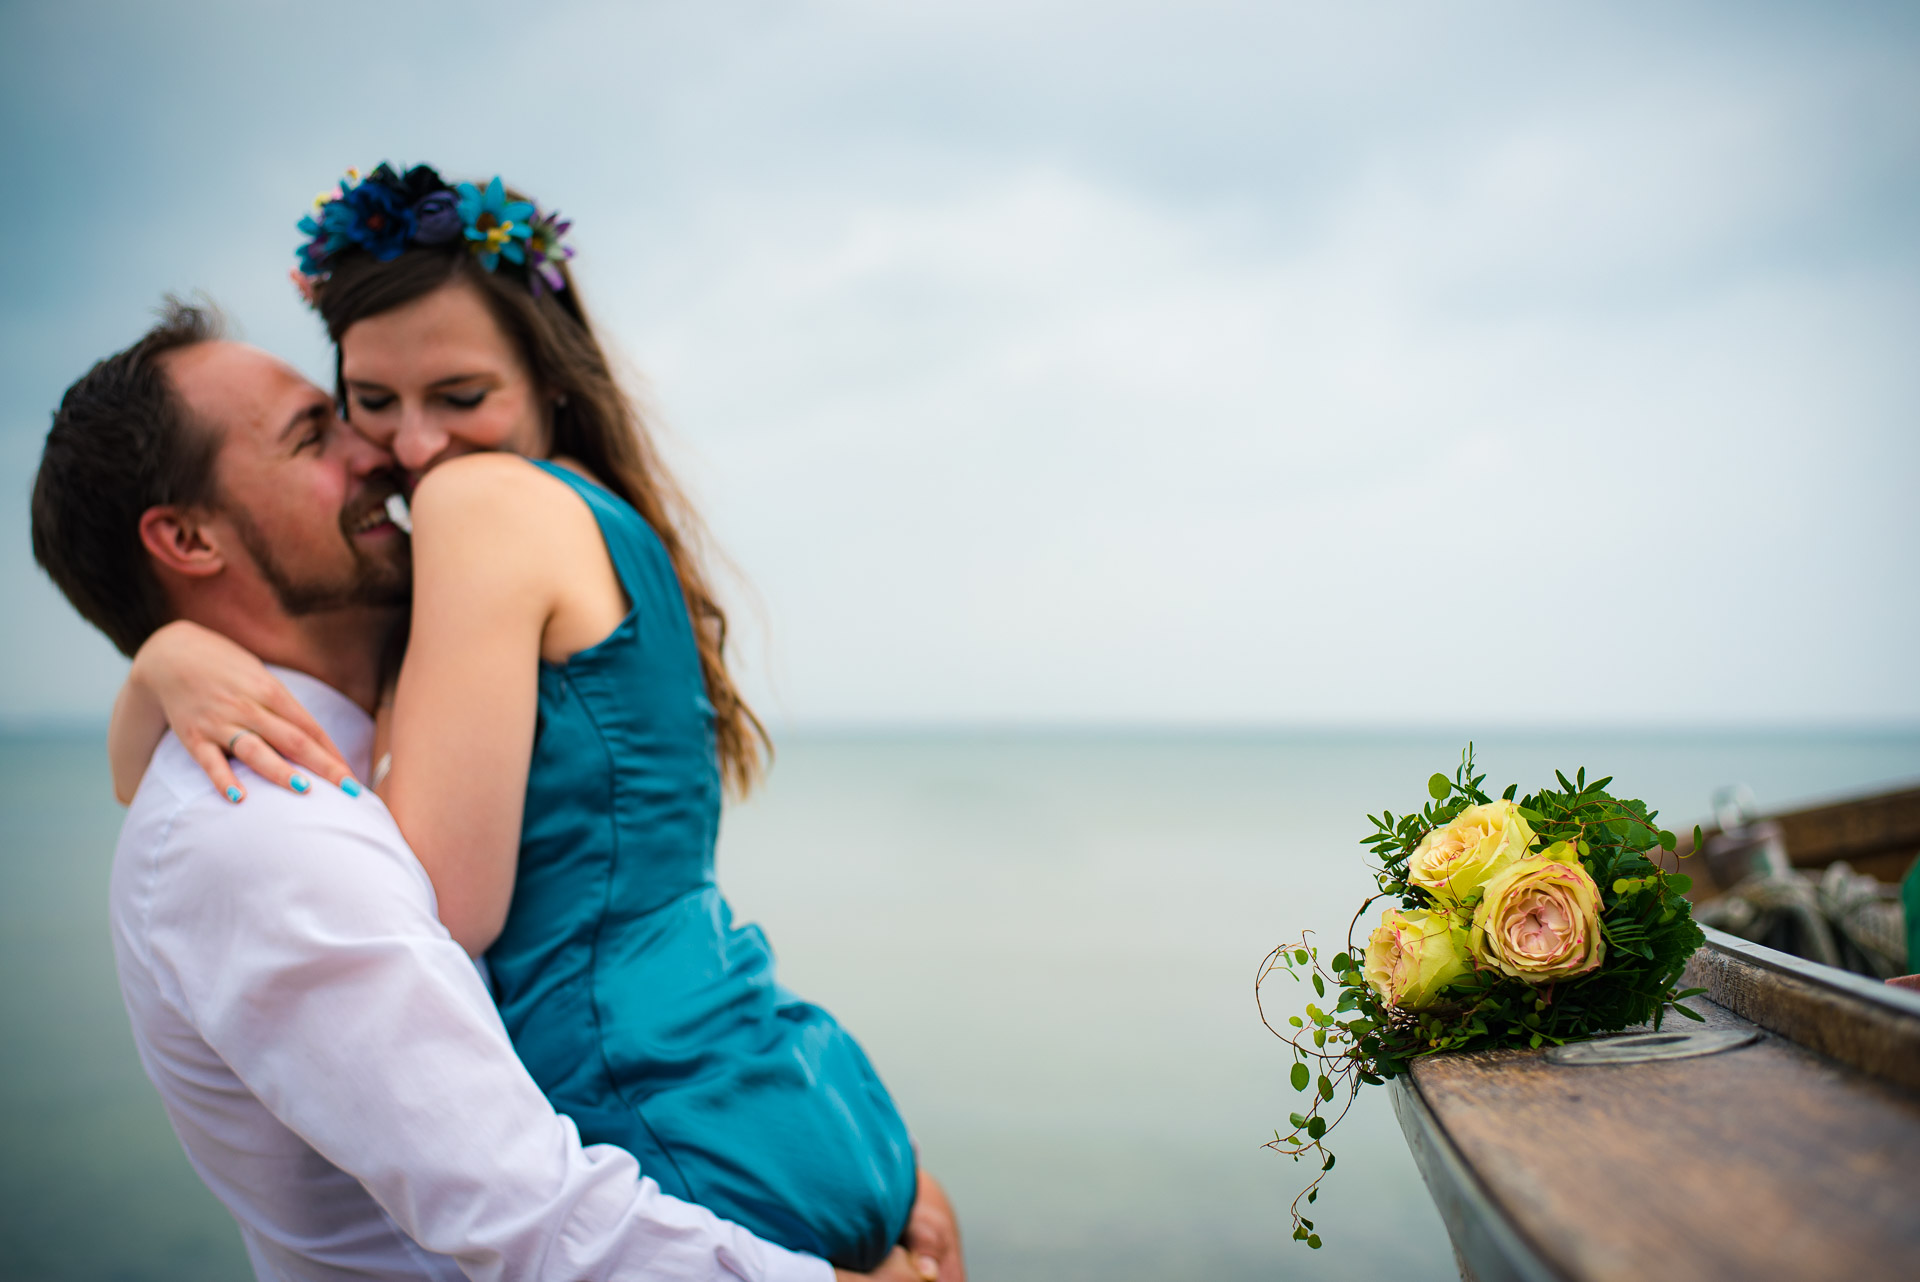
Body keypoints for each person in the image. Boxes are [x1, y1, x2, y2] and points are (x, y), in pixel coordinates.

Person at [104, 163, 939, 1275]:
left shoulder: (475, 506)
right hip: (795, 1086)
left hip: (664, 1126)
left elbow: (450, 900)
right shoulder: (594, 514)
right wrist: (161, 663)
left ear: (547, 383)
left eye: (460, 398)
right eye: (370, 402)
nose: (412, 449)